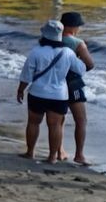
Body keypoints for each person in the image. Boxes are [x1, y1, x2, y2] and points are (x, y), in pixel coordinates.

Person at [17, 20, 88, 164]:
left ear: (44, 35)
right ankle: (52, 157)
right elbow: (81, 69)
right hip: (59, 95)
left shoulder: (36, 51)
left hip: (37, 92)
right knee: (55, 126)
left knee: (33, 123)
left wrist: (21, 90)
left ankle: (30, 152)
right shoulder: (67, 52)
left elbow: (26, 74)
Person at [58, 11, 94, 165]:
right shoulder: (77, 43)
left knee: (58, 119)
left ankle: (59, 150)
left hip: (55, 81)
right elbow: (90, 64)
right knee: (81, 120)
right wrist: (78, 66)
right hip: (72, 82)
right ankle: (79, 154)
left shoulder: (50, 40)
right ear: (74, 27)